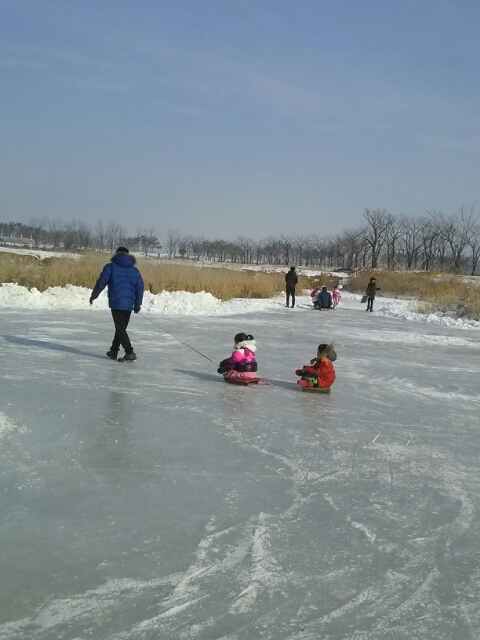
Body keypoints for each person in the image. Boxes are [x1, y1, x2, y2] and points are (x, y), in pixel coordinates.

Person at [90, 247, 144, 362]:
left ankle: (129, 352)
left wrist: (94, 295)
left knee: (120, 328)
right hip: (129, 303)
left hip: (116, 302)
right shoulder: (135, 271)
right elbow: (140, 287)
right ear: (128, 255)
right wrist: (138, 303)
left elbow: (101, 283)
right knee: (121, 328)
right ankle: (114, 350)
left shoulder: (110, 267)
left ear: (117, 254)